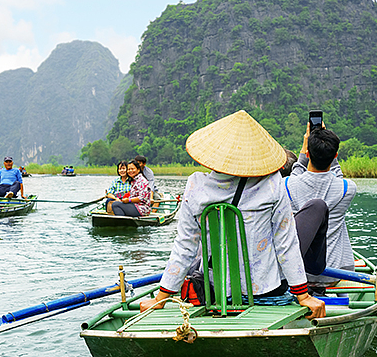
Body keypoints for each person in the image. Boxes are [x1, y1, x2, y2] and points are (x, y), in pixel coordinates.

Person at [139, 110, 326, 318]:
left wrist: (160, 298)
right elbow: (286, 242)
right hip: (266, 290)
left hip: (215, 291)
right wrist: (303, 295)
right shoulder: (273, 184)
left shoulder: (196, 185)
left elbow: (185, 246)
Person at [284, 124, 356, 294]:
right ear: (335, 156)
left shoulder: (287, 185)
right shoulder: (348, 189)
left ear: (308, 154)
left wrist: (305, 147)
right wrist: (329, 149)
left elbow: (296, 172)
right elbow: (337, 174)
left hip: (300, 274)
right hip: (333, 275)